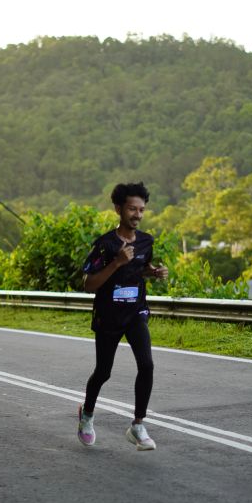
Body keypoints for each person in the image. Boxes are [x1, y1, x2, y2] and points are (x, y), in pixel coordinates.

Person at [78, 182, 168, 450]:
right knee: (103, 372)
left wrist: (153, 272)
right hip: (108, 316)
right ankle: (87, 415)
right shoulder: (105, 245)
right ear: (118, 209)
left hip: (135, 313)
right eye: (132, 209)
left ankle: (138, 425)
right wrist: (117, 262)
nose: (137, 215)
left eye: (141, 210)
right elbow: (89, 284)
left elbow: (140, 268)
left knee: (147, 365)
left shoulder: (146, 241)